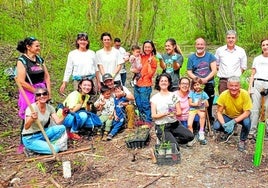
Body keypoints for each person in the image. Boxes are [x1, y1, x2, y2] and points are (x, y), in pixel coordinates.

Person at [16, 36, 51, 153]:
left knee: (44, 112)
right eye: (36, 46)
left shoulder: (39, 59)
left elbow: (46, 76)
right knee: (30, 114)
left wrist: (48, 91)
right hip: (29, 91)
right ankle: (24, 142)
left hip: (42, 89)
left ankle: (43, 138)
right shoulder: (22, 61)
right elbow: (21, 80)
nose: (39, 48)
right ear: (28, 47)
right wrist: (35, 91)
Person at [151, 73, 194, 150]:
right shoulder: (154, 98)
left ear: (169, 83)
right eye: (162, 81)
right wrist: (164, 114)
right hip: (162, 126)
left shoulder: (173, 96)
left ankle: (172, 139)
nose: (164, 82)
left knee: (190, 136)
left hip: (174, 124)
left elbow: (179, 112)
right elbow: (154, 115)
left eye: (166, 81)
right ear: (158, 83)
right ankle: (165, 139)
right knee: (175, 148)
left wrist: (174, 113)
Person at [22, 88, 67, 154]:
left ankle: (44, 145)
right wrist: (32, 118)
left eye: (44, 94)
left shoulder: (50, 107)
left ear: (48, 96)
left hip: (42, 133)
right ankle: (30, 149)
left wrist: (64, 115)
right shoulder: (31, 108)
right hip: (31, 137)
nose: (42, 96)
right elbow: (26, 127)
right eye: (39, 95)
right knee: (55, 149)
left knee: (61, 128)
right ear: (36, 97)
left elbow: (58, 122)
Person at [213, 76, 252, 152]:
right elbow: (219, 112)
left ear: (239, 86)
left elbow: (247, 112)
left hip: (241, 116)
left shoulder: (245, 94)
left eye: (236, 86)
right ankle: (227, 131)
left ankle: (242, 140)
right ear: (227, 86)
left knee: (247, 123)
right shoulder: (223, 95)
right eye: (231, 85)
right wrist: (224, 124)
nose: (233, 88)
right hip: (228, 115)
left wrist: (234, 121)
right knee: (216, 126)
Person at [187, 37, 217, 123]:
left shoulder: (210, 56)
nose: (200, 46)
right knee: (196, 101)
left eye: (202, 44)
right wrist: (196, 79)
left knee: (208, 102)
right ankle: (197, 119)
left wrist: (206, 79)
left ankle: (209, 119)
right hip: (196, 84)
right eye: (198, 44)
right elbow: (189, 71)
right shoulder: (191, 58)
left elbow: (214, 70)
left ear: (205, 45)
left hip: (209, 83)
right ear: (195, 45)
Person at [215, 30, 247, 94]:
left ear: (236, 39)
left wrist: (236, 75)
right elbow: (216, 64)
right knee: (223, 101)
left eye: (233, 38)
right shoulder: (219, 50)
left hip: (236, 81)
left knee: (236, 101)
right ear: (226, 39)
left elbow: (243, 67)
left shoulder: (241, 51)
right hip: (223, 81)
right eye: (229, 38)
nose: (231, 40)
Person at [133, 40, 158, 125]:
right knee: (138, 103)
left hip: (146, 85)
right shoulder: (140, 56)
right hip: (137, 83)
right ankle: (141, 119)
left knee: (145, 104)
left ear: (152, 48)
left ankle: (148, 120)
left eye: (149, 47)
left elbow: (151, 74)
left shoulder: (153, 59)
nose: (147, 48)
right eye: (145, 47)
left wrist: (150, 64)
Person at [248, 38, 268, 138]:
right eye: (263, 45)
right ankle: (252, 131)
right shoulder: (257, 59)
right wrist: (250, 88)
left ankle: (266, 130)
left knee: (267, 108)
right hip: (257, 83)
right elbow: (252, 74)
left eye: (267, 44)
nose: (265, 47)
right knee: (255, 108)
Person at [187, 77, 209, 146]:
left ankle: (201, 132)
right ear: (193, 86)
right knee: (189, 124)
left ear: (201, 85)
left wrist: (203, 102)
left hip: (200, 108)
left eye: (198, 84)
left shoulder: (203, 93)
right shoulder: (191, 93)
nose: (197, 86)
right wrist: (196, 104)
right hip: (193, 109)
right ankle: (191, 136)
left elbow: (207, 105)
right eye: (195, 85)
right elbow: (190, 103)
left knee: (202, 115)